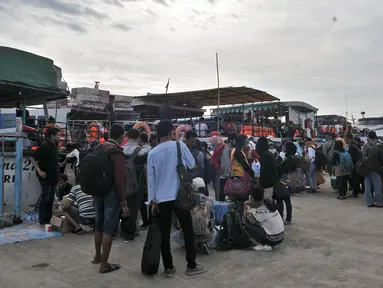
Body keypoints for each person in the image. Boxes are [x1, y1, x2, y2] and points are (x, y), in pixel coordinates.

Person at [147, 120, 207, 277]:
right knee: (188, 230)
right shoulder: (180, 146)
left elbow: (151, 180)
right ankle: (191, 265)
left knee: (164, 233)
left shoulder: (152, 153)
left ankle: (168, 268)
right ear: (171, 133)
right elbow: (192, 164)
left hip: (161, 199)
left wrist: (152, 201)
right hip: (181, 196)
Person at [92, 124, 129, 274]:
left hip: (97, 191)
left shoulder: (99, 147)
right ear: (121, 137)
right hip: (111, 194)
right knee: (108, 229)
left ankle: (97, 256)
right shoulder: (117, 152)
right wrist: (124, 202)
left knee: (98, 225)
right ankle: (104, 264)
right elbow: (119, 180)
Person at [31, 127, 61, 225]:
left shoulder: (55, 146)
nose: (60, 137)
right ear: (52, 136)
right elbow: (33, 158)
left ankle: (48, 219)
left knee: (51, 199)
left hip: (54, 177)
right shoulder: (45, 146)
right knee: (45, 198)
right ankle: (43, 220)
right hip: (46, 178)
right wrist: (39, 171)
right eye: (58, 135)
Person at [123, 128, 149, 235]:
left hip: (123, 182)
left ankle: (124, 228)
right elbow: (146, 169)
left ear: (127, 137)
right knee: (136, 206)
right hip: (138, 183)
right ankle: (133, 229)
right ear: (138, 138)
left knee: (125, 205)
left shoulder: (120, 149)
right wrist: (147, 186)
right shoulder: (142, 152)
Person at [243, 186, 285, 252]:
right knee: (260, 221)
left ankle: (262, 245)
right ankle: (270, 243)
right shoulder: (269, 204)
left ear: (252, 197)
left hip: (272, 239)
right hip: (281, 237)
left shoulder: (261, 210)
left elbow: (245, 220)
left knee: (246, 225)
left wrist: (245, 205)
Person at [210, 133, 236, 201]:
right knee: (221, 195)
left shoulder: (237, 149)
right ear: (230, 140)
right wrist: (218, 167)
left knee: (233, 196)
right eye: (235, 140)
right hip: (223, 176)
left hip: (233, 176)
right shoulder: (222, 148)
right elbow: (213, 158)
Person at [231, 134, 255, 202]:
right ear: (241, 141)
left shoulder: (236, 150)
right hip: (240, 177)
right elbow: (244, 165)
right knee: (242, 199)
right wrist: (252, 173)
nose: (247, 143)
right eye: (246, 141)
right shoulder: (237, 152)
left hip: (238, 176)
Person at [363, 131, 383, 207]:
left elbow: (363, 157)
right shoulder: (379, 145)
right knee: (377, 185)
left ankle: (369, 202)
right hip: (376, 168)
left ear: (368, 137)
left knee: (367, 186)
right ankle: (379, 202)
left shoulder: (365, 146)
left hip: (366, 168)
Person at [345, 133, 362, 198]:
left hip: (354, 165)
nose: (345, 140)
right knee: (356, 179)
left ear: (349, 139)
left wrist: (350, 166)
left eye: (346, 139)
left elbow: (351, 157)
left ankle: (355, 193)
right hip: (357, 164)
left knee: (355, 179)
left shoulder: (352, 146)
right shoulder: (356, 144)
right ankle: (356, 192)